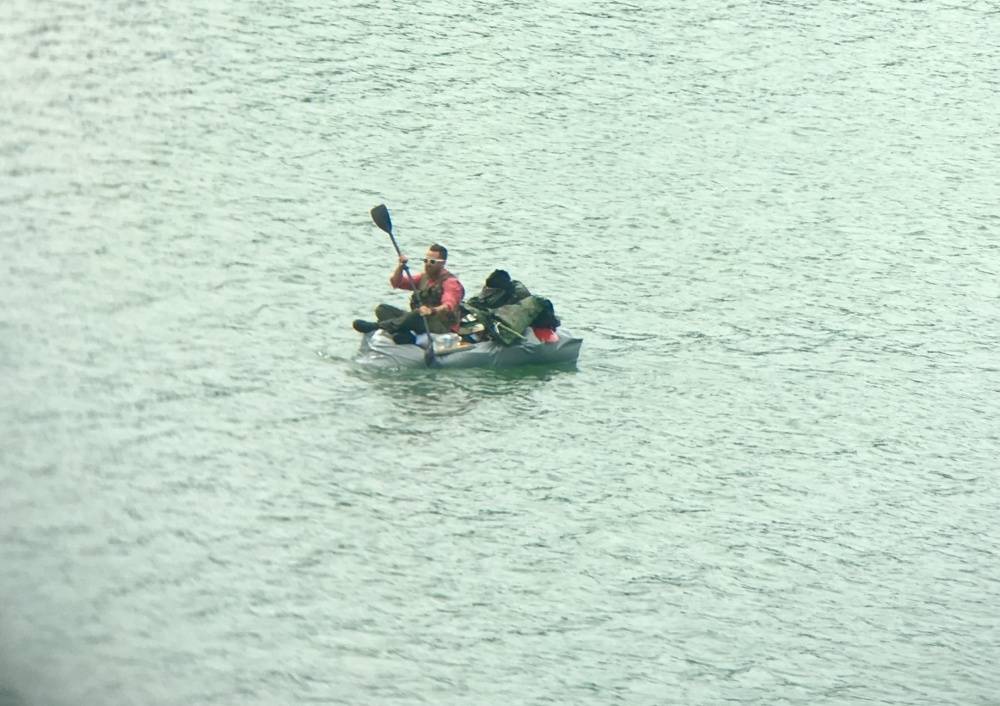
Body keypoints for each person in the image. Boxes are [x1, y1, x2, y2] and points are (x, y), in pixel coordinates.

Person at [353, 243, 465, 344]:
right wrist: (400, 267)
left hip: (441, 325)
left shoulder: (451, 283)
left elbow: (448, 305)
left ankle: (377, 326)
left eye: (432, 262)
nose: (428, 264)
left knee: (417, 314)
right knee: (382, 309)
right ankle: (406, 336)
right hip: (420, 319)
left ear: (443, 263)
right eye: (425, 260)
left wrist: (431, 311)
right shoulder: (423, 277)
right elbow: (396, 283)